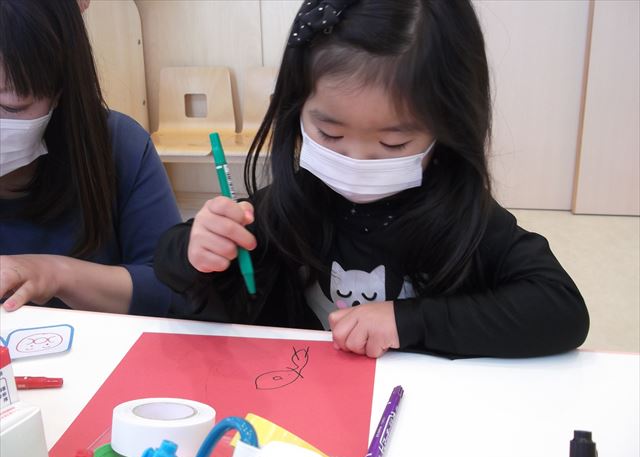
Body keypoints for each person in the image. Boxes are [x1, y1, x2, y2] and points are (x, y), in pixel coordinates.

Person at [154, 0, 589, 358]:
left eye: (394, 142)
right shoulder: (293, 202)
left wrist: (407, 321)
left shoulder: (461, 213)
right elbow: (170, 264)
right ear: (295, 110)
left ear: (447, 127)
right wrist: (199, 247)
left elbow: (561, 308)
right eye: (330, 134)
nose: (357, 160)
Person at [0, 0, 183, 316]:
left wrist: (57, 274)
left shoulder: (119, 146)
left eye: (11, 107)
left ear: (60, 88)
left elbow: (173, 290)